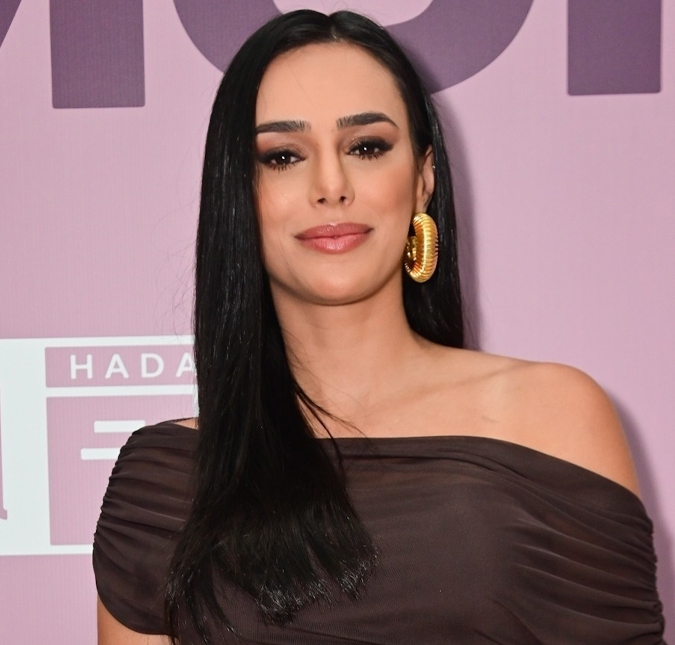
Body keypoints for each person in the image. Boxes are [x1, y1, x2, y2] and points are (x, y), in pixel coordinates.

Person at [93, 9, 667, 645]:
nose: (330, 185)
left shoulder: (552, 416)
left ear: (423, 179)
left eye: (366, 147)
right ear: (239, 195)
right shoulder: (164, 482)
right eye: (283, 156)